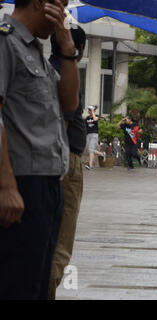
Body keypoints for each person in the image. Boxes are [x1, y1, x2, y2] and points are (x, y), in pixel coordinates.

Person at [0, 0, 79, 299]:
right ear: (38, 3)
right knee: (17, 283)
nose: (64, 12)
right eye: (61, 4)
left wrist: (67, 47)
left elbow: (69, 103)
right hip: (22, 184)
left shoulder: (37, 51)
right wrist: (6, 186)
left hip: (48, 185)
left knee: (38, 281)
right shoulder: (5, 41)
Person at [47, 26, 87, 300]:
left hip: (53, 159)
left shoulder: (45, 66)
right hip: (63, 161)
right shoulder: (61, 73)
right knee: (60, 242)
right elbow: (63, 115)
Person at [85, 105, 106, 169]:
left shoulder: (96, 116)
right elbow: (85, 127)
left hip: (94, 134)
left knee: (91, 149)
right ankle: (102, 154)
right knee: (90, 149)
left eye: (90, 110)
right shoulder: (87, 118)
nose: (89, 111)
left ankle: (90, 165)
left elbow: (95, 119)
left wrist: (93, 111)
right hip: (88, 134)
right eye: (89, 110)